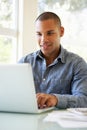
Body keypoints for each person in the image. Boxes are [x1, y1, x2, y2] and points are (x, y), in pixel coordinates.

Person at [19, 11, 87, 109]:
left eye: (50, 33)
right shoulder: (24, 63)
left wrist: (56, 99)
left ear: (61, 31)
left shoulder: (77, 64)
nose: (43, 40)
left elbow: (84, 100)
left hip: (62, 123)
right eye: (39, 34)